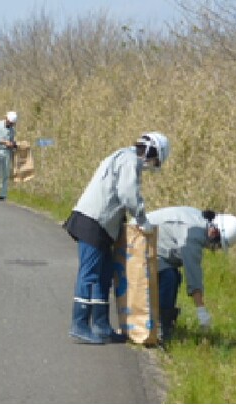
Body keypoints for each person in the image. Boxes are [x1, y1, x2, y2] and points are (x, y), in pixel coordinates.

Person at [64, 132, 171, 344]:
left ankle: (102, 325)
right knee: (90, 274)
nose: (151, 165)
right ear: (150, 150)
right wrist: (141, 218)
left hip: (103, 226)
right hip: (92, 221)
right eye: (154, 160)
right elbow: (128, 194)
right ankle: (79, 323)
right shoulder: (129, 160)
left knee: (104, 275)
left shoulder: (124, 158)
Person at [138, 206, 236, 342]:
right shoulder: (194, 235)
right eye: (218, 244)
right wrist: (201, 310)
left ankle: (163, 323)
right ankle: (159, 327)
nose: (215, 248)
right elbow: (193, 273)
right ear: (214, 233)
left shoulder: (199, 220)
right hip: (139, 243)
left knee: (174, 276)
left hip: (152, 244)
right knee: (169, 277)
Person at [0, 111, 18, 201]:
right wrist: (4, 142)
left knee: (5, 173)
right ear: (6, 119)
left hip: (7, 151)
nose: (11, 124)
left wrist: (13, 144)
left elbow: (12, 140)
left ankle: (3, 194)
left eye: (12, 123)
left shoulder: (12, 130)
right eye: (10, 122)